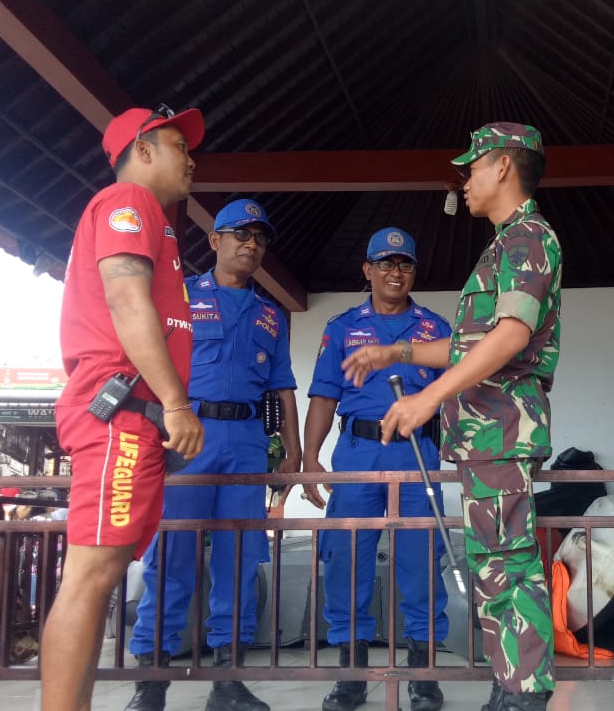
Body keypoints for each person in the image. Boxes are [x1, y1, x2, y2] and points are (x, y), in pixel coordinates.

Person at [341, 122, 561, 711]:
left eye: (473, 167)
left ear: (503, 168)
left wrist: (428, 397)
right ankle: (509, 683)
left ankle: (524, 695)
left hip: (501, 432)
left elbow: (511, 334)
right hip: (483, 439)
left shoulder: (528, 239)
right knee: (493, 568)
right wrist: (397, 352)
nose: (464, 181)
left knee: (510, 568)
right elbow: (470, 346)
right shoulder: (503, 246)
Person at [46, 104, 206, 711]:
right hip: (124, 410)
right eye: (176, 145)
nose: (190, 158)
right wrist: (174, 403)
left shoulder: (150, 220)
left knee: (100, 579)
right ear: (142, 151)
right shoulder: (131, 203)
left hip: (127, 414)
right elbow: (124, 297)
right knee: (90, 580)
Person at [125, 198, 302, 711]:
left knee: (241, 559)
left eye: (260, 238)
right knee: (172, 555)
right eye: (240, 235)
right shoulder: (178, 298)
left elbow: (283, 388)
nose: (251, 245)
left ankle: (228, 682)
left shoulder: (271, 314)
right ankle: (151, 682)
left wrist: (290, 453)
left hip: (247, 442)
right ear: (215, 241)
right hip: (187, 436)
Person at [300, 227, 452, 711]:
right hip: (358, 455)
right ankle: (351, 675)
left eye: (404, 264)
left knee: (423, 563)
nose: (395, 272)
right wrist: (309, 459)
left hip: (417, 455)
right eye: (385, 263)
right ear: (367, 270)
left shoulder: (435, 328)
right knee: (346, 562)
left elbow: (457, 396)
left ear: (414, 272)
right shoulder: (344, 327)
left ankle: (424, 676)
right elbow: (324, 395)